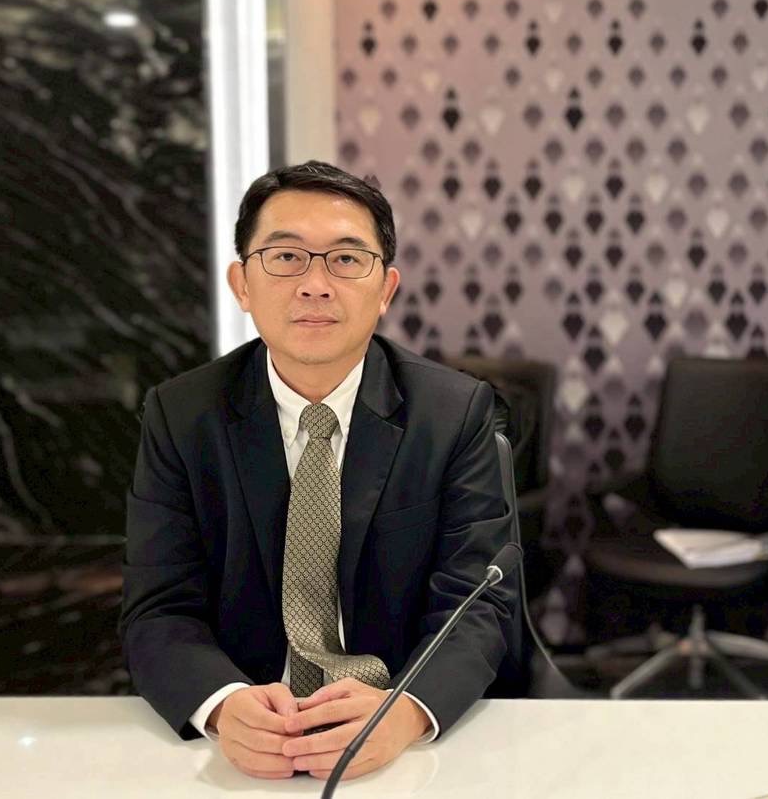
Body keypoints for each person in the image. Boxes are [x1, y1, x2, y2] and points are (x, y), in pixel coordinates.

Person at [120, 160, 516, 781]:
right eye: (285, 257)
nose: (315, 285)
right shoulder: (182, 415)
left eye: (346, 259)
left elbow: (479, 600)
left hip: (398, 739)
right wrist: (221, 705)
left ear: (385, 290)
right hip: (247, 739)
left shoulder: (453, 412)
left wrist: (407, 711)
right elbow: (158, 606)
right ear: (242, 284)